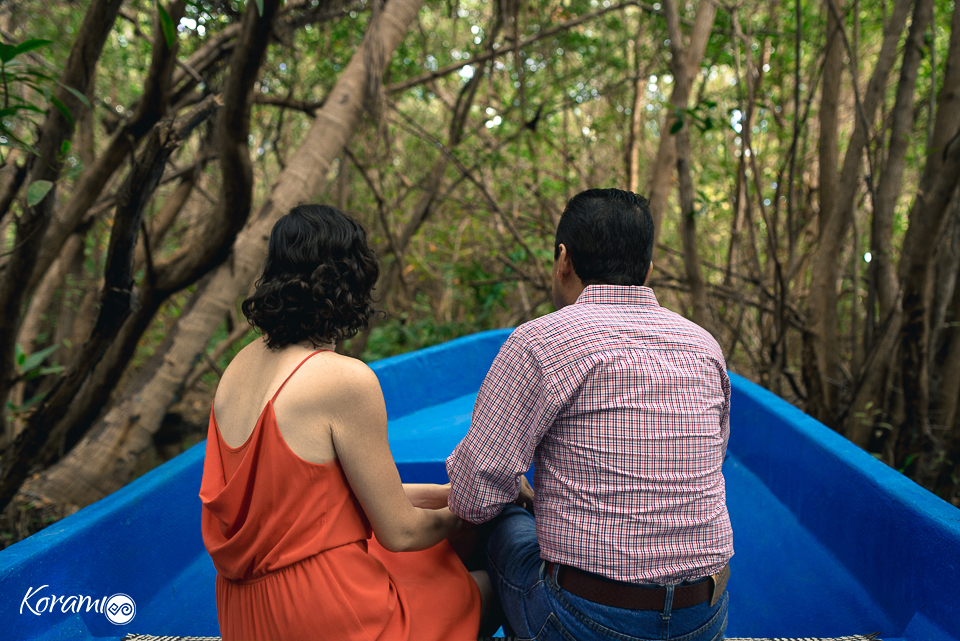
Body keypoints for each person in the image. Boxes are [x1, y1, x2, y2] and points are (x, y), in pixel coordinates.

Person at [446, 188, 734, 641]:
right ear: (648, 271)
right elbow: (711, 461)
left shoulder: (542, 342)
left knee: (495, 519)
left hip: (584, 620)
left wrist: (521, 496)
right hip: (703, 618)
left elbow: (471, 495)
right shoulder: (704, 345)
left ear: (563, 259)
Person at [199, 204, 490, 641]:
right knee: (493, 587)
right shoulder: (343, 380)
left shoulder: (238, 366)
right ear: (352, 283)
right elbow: (401, 532)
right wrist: (467, 514)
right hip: (327, 614)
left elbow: (325, 497)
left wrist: (452, 494)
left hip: (246, 618)